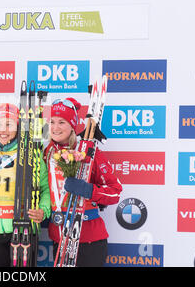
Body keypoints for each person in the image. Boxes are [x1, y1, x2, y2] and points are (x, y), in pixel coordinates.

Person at [44, 97, 122, 267]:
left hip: (89, 239)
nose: (55, 128)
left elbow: (115, 191)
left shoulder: (88, 151)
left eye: (62, 122)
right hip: (60, 237)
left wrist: (88, 190)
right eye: (52, 122)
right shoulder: (47, 153)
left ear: (72, 125)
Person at [0, 103, 51, 267]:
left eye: (9, 124)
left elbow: (45, 188)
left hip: (23, 228)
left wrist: (43, 210)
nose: (3, 130)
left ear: (18, 127)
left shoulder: (31, 152)